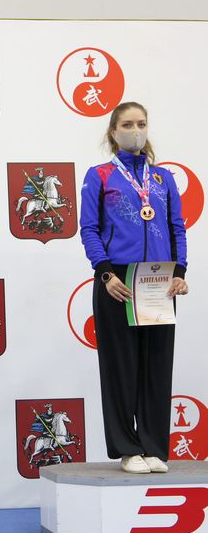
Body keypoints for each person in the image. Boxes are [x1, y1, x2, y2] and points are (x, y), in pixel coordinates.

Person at [79, 101, 188, 474]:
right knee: (121, 366)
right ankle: (128, 448)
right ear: (113, 131)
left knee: (156, 365)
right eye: (127, 124)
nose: (136, 131)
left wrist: (180, 271)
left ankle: (154, 447)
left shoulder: (163, 178)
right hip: (117, 282)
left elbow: (177, 227)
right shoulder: (100, 176)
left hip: (158, 280)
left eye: (141, 123)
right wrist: (105, 274)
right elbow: (89, 229)